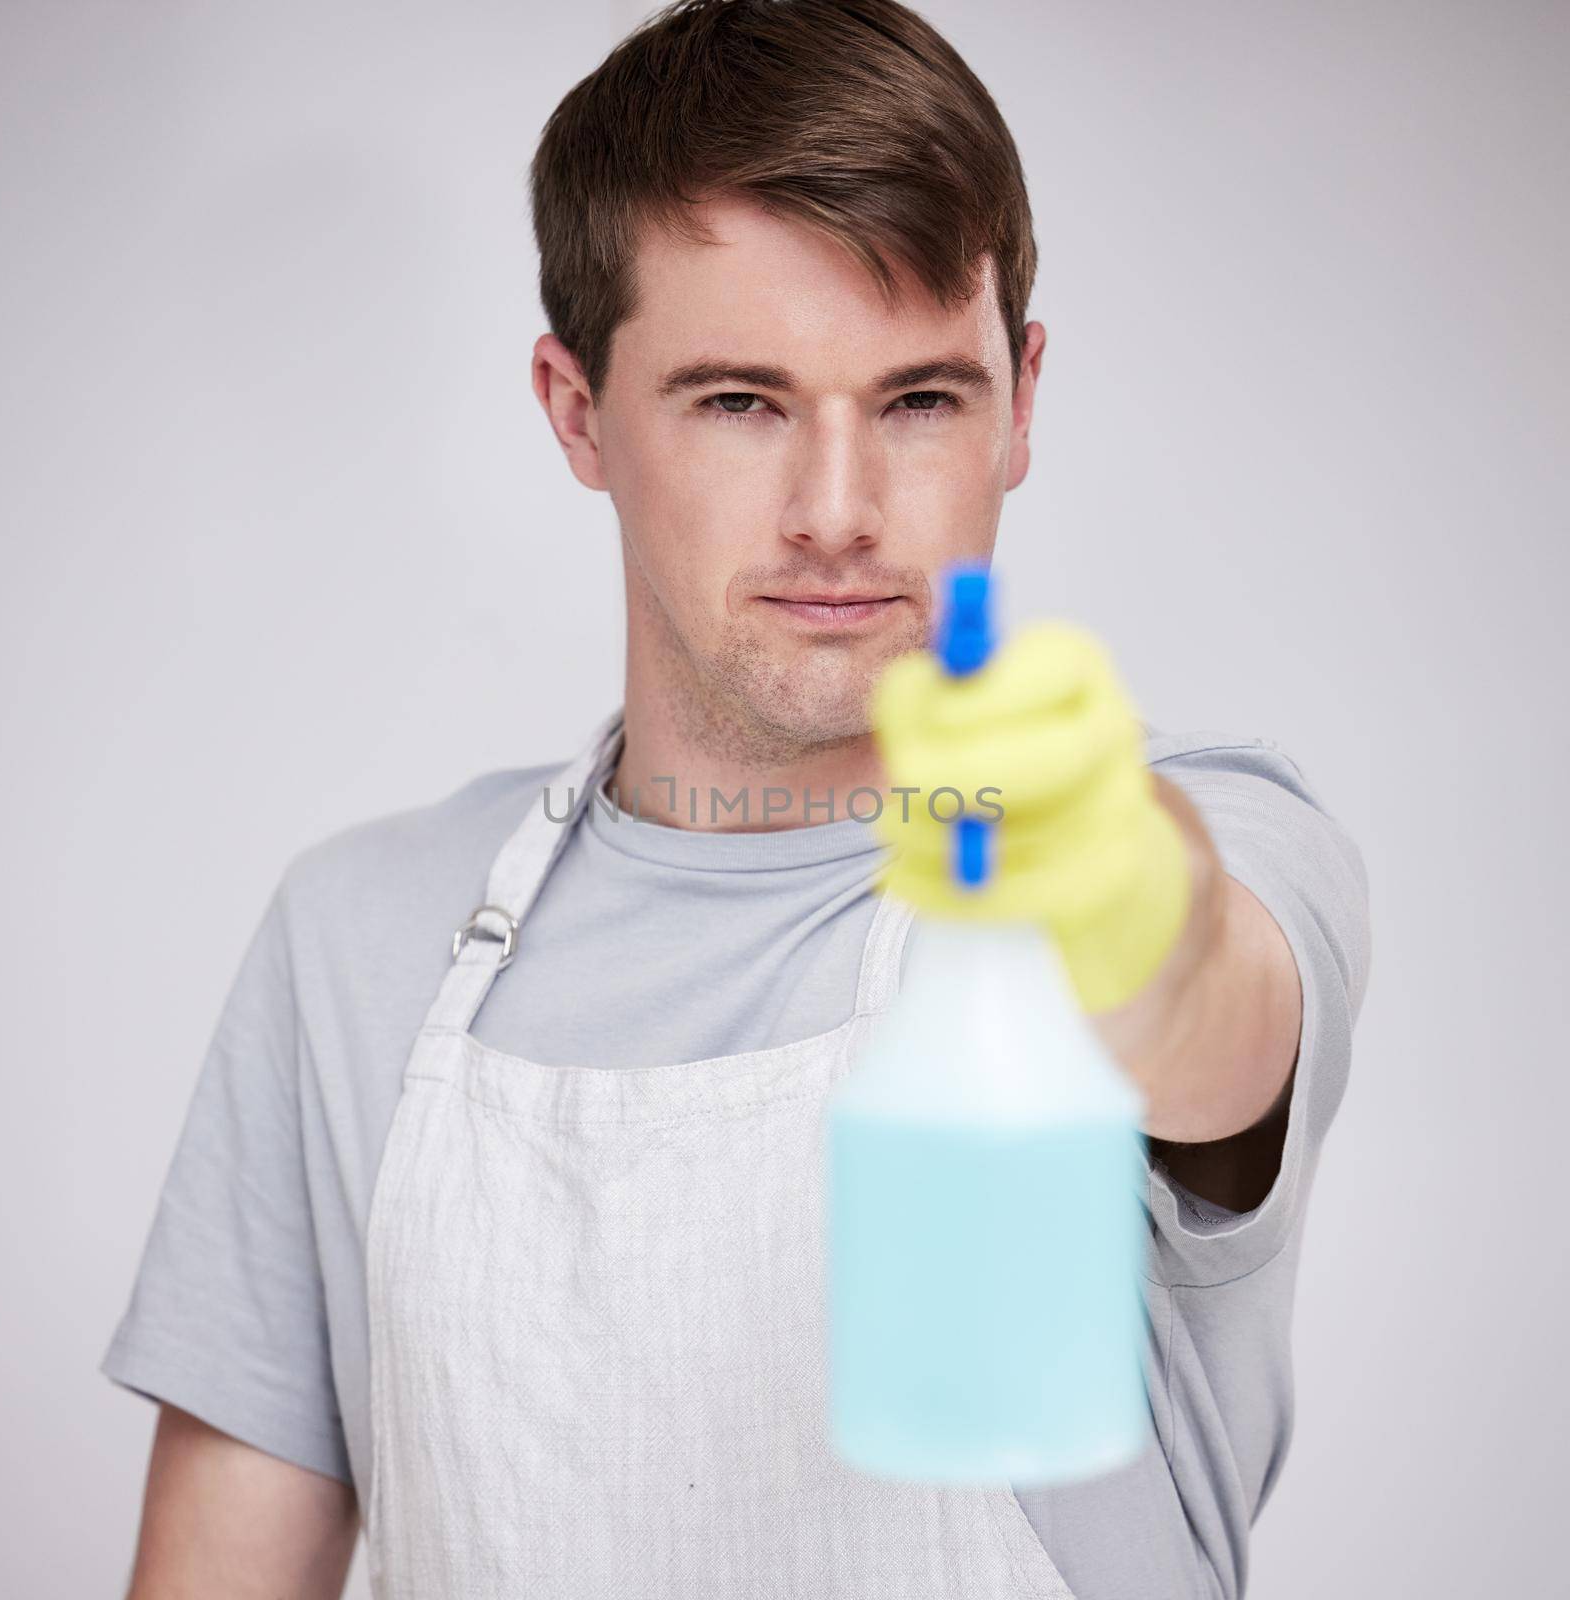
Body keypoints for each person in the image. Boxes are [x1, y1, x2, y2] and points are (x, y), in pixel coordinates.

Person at [102, 2, 1371, 1597]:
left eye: (919, 401)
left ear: (1022, 399)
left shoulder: (1202, 839)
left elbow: (1214, 1010)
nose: (837, 515)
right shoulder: (357, 945)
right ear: (577, 411)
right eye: (738, 402)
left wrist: (1129, 906)